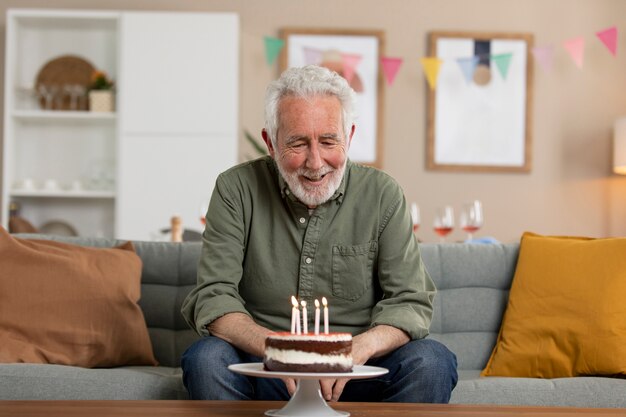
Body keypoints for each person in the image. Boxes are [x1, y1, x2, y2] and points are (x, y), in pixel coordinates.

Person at [180, 65, 457, 402]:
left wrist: (356, 350)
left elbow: (409, 301)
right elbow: (213, 295)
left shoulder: (383, 194)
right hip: (265, 365)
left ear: (349, 136)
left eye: (328, 141)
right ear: (270, 141)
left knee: (432, 361)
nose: (315, 162)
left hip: (357, 369)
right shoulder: (235, 189)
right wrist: (279, 350)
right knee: (206, 359)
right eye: (297, 143)